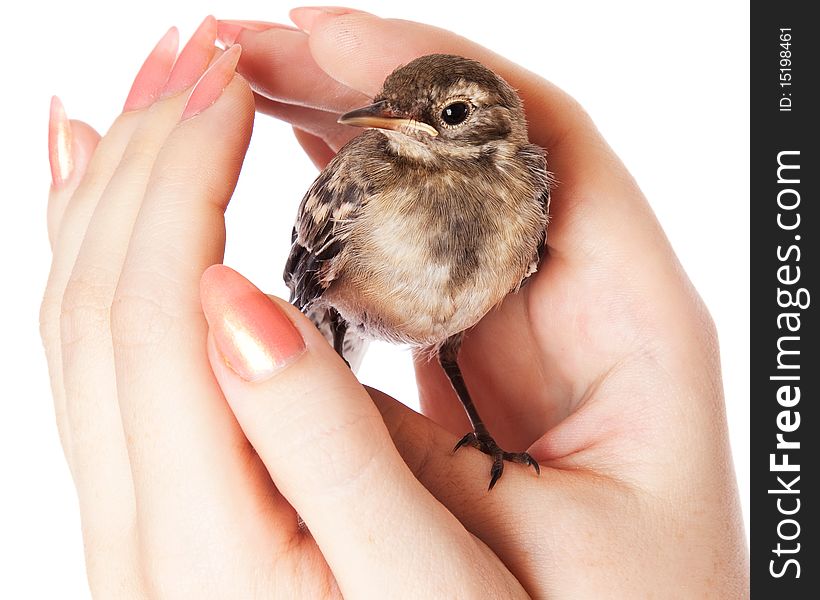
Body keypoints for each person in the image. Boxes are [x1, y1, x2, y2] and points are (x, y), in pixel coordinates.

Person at [41, 8, 749, 598]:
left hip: (454, 332)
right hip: (342, 310)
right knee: (327, 355)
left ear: (494, 123)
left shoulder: (526, 190)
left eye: (450, 116)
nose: (405, 125)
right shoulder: (366, 180)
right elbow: (308, 270)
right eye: (397, 113)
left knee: (450, 353)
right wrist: (315, 378)